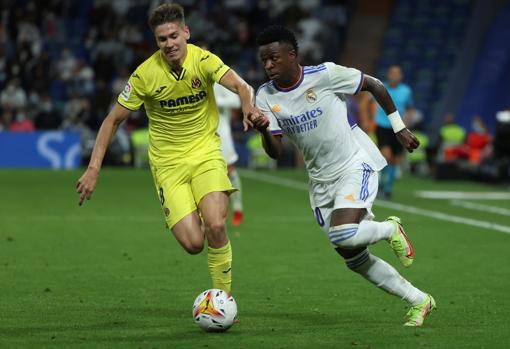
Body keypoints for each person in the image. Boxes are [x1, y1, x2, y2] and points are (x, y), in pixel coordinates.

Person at [249, 25, 435, 327]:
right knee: (353, 258)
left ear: (292, 55)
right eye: (263, 61)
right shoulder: (265, 97)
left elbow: (374, 85)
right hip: (320, 182)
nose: (268, 65)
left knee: (342, 232)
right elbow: (275, 151)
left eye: (273, 58)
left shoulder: (324, 75)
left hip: (354, 163)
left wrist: (398, 127)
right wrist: (263, 132)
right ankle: (419, 300)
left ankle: (389, 229)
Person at [76, 3, 265, 294]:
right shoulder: (145, 75)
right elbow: (112, 121)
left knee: (215, 225)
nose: (169, 43)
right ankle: (200, 210)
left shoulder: (204, 60)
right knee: (193, 244)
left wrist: (248, 108)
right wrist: (93, 169)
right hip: (168, 164)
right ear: (156, 41)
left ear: (186, 32)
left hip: (205, 154)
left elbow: (242, 86)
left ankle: (223, 298)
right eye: (162, 39)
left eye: (174, 36)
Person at [374, 65, 415, 199]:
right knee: (386, 155)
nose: (394, 76)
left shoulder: (406, 91)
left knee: (395, 160)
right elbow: (370, 103)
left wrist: (406, 124)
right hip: (383, 126)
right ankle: (381, 184)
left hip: (398, 128)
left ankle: (388, 189)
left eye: (397, 74)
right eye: (392, 73)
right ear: (388, 75)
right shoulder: (380, 87)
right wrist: (369, 120)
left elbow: (410, 108)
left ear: (401, 76)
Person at [214, 83, 244, 226]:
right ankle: (217, 212)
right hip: (201, 135)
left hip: (222, 133)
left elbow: (236, 101)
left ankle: (238, 209)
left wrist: (215, 101)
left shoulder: (217, 80)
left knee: (229, 170)